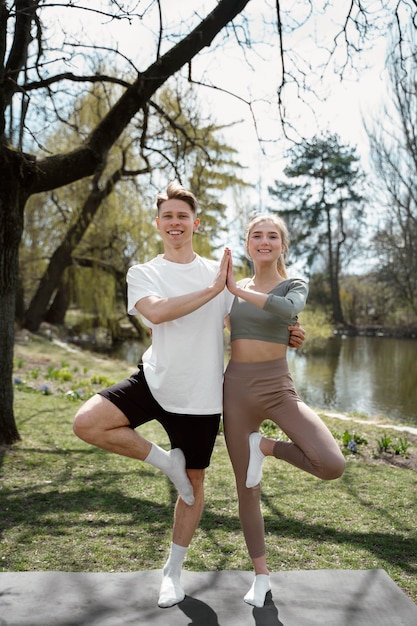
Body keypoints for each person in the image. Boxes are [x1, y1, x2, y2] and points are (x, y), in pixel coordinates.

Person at [73, 183, 305, 609]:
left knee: (193, 489)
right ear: (158, 224)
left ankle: (172, 572)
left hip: (202, 397)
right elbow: (157, 312)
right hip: (154, 381)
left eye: (183, 216)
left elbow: (246, 326)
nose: (176, 223)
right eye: (168, 217)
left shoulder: (218, 272)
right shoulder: (143, 272)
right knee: (86, 422)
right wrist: (215, 289)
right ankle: (167, 462)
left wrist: (289, 335)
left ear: (195, 223)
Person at [223, 214, 346, 609]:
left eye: (272, 236)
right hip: (237, 389)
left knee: (331, 463)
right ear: (247, 245)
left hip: (278, 388)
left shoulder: (294, 284)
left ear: (281, 245)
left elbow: (285, 308)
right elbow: (213, 324)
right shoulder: (233, 287)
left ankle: (266, 447)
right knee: (247, 488)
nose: (264, 241)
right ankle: (261, 577)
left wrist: (237, 293)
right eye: (256, 236)